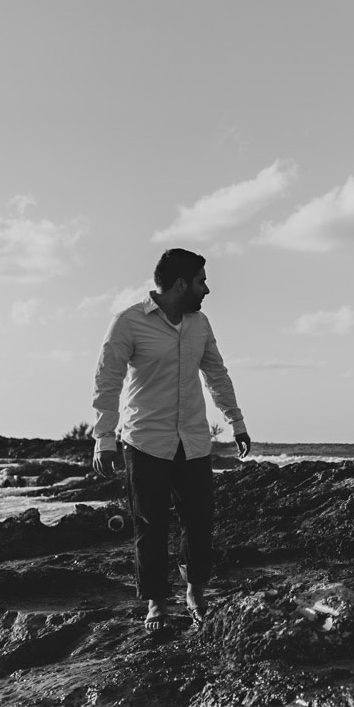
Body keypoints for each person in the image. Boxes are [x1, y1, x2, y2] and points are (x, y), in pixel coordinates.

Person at [91, 248, 251, 632]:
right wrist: (103, 438)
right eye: (201, 281)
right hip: (146, 439)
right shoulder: (128, 322)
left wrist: (237, 421)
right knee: (151, 524)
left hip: (193, 439)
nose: (207, 289)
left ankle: (195, 591)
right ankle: (156, 604)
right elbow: (107, 381)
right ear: (181, 284)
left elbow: (216, 374)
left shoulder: (200, 324)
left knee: (199, 519)